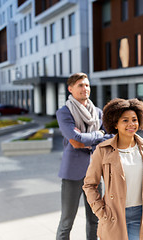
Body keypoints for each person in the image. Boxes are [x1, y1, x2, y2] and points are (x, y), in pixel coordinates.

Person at [83, 98, 143, 240]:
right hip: (114, 215)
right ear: (115, 124)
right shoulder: (103, 150)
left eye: (134, 119)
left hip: (140, 213)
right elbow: (89, 184)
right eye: (125, 120)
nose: (131, 124)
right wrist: (101, 211)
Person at [56, 72, 109, 240]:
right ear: (70, 89)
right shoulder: (64, 112)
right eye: (80, 85)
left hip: (95, 171)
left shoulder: (99, 113)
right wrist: (98, 134)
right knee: (67, 221)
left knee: (95, 219)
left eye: (87, 85)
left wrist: (90, 138)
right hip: (73, 173)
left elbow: (110, 138)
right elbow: (75, 140)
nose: (85, 88)